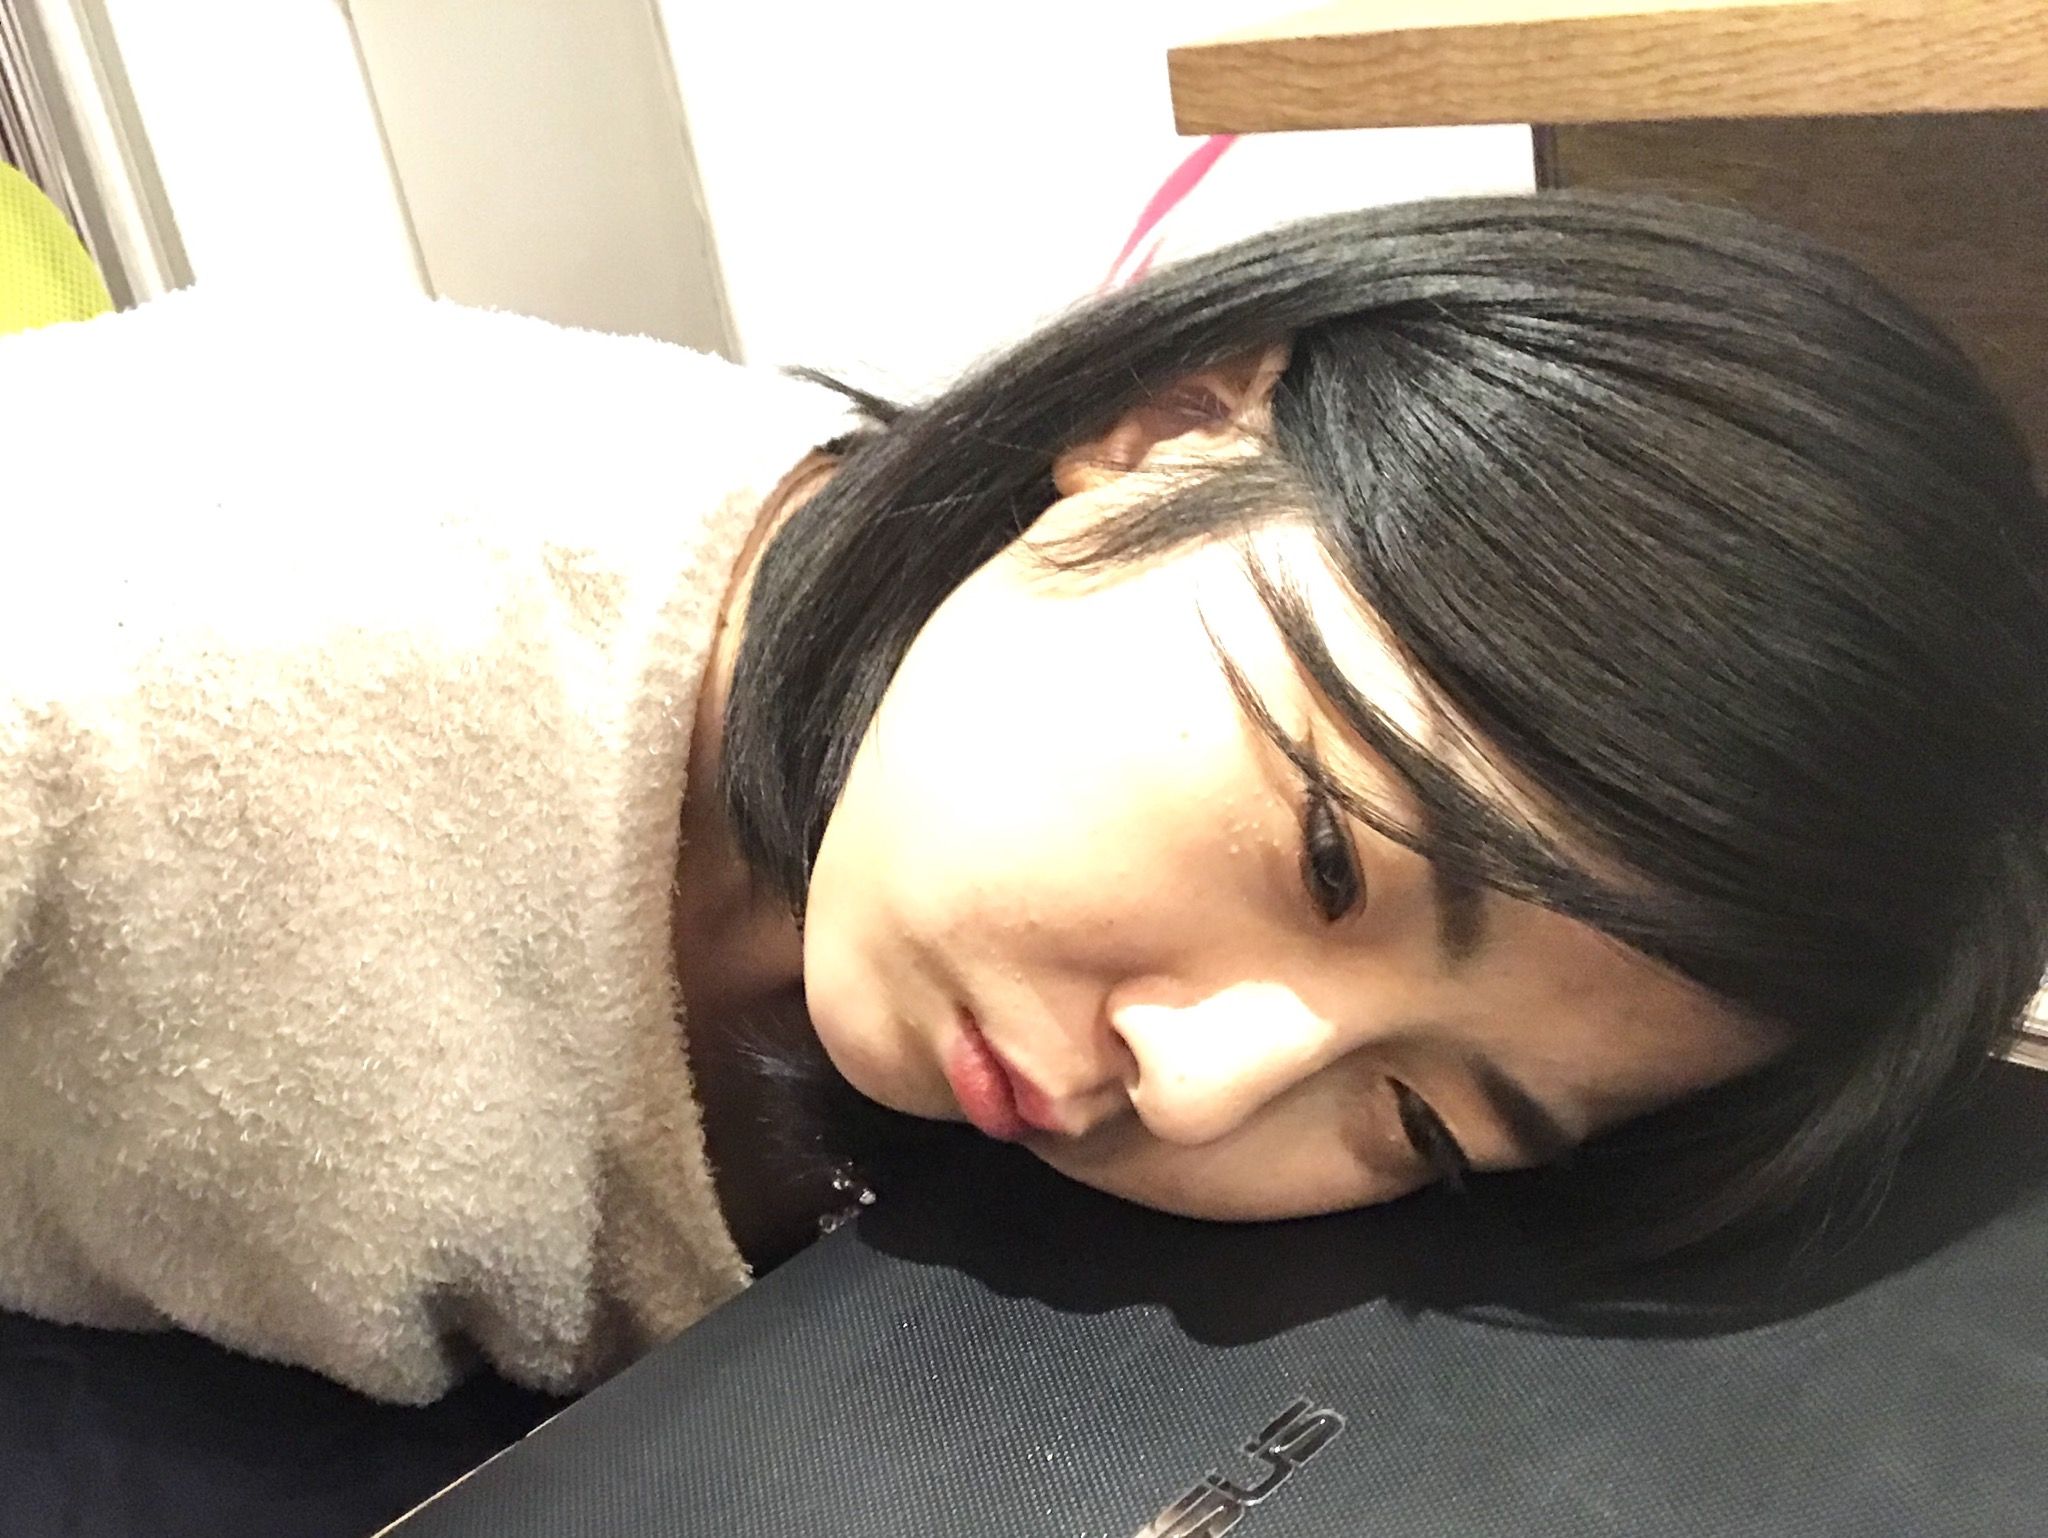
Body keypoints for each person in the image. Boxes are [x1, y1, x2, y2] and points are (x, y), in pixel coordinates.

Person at [2, 190, 2044, 1405]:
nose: (1206, 1089)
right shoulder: (170, 618)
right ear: (1167, 422)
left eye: (1425, 1123)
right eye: (1331, 852)